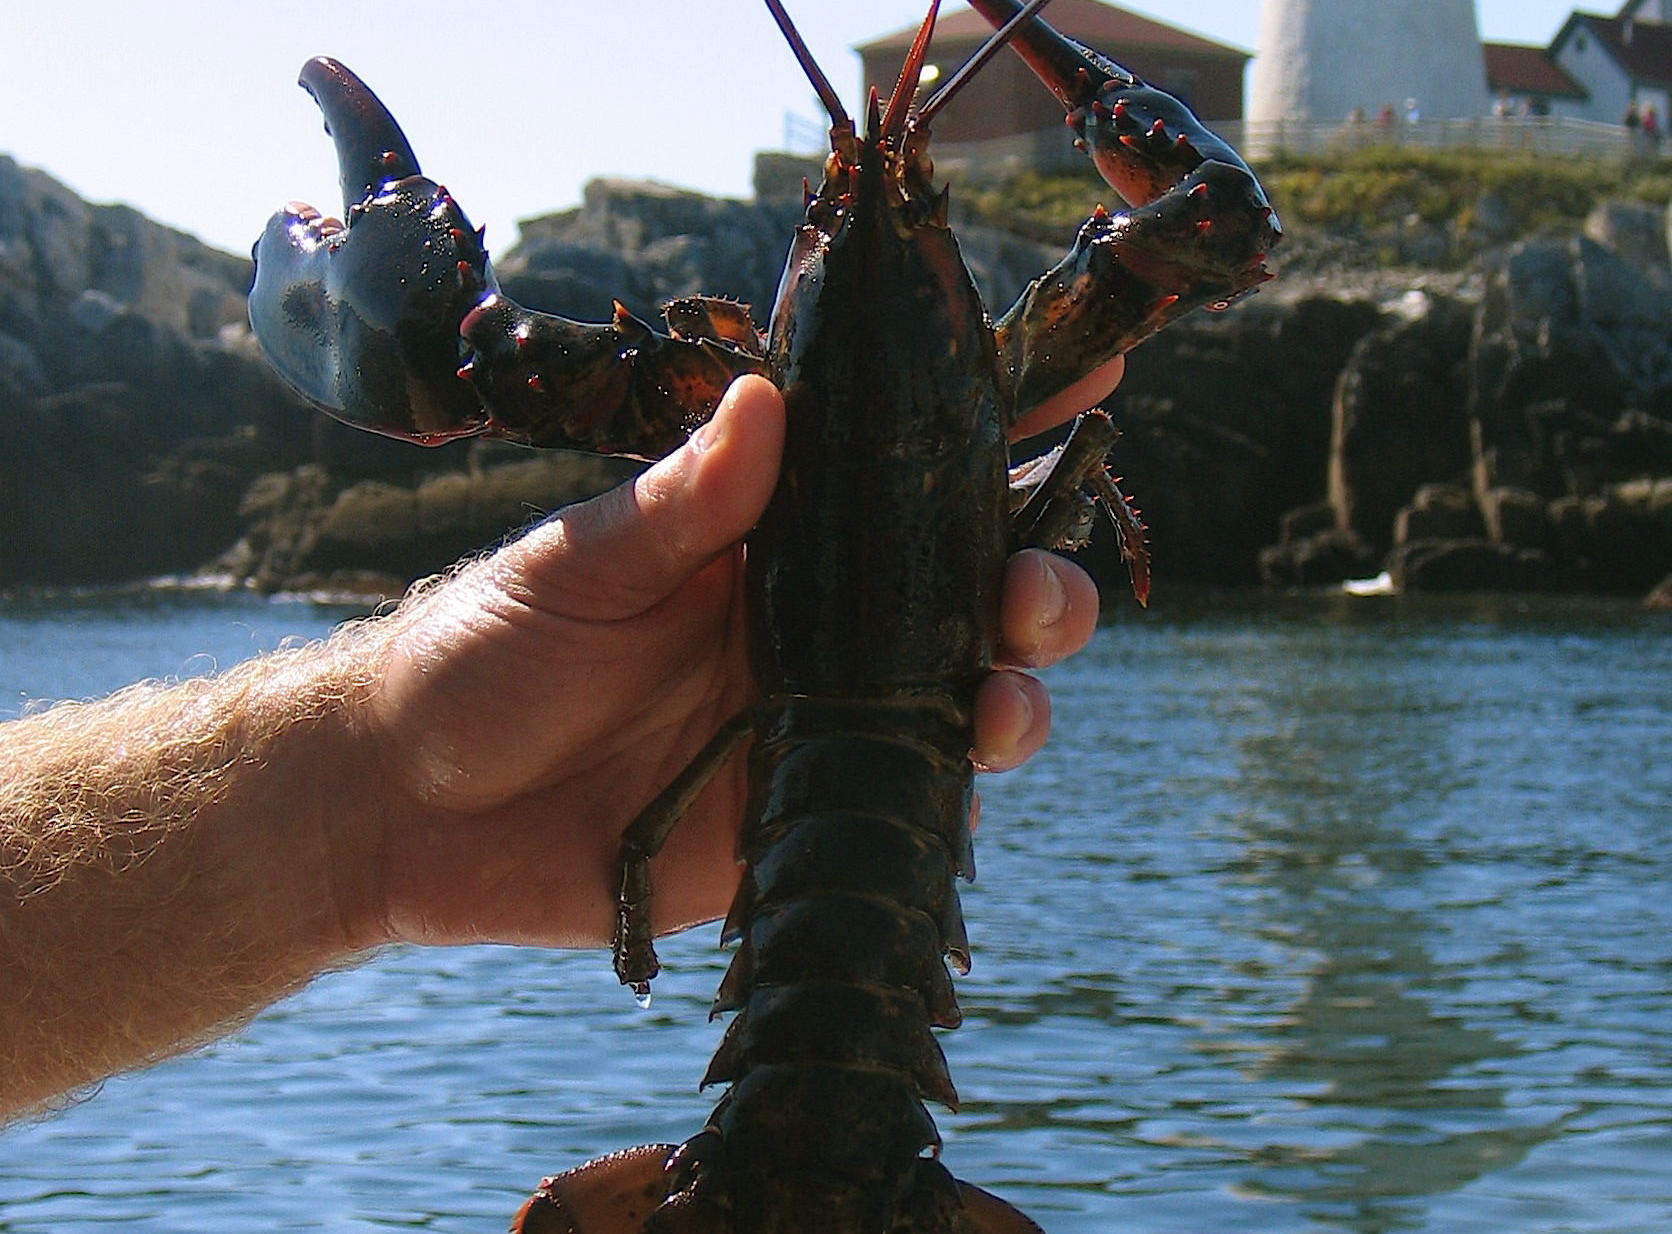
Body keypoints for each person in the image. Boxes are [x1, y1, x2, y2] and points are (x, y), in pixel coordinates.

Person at [0, 369, 1114, 1122]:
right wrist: (376, 788)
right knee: (1059, 511)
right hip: (863, 802)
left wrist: (378, 785)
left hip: (754, 759)